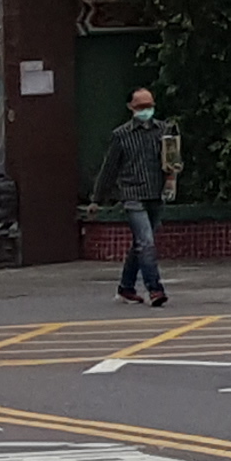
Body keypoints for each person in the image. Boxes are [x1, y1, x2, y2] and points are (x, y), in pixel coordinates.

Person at [90, 88, 174, 307]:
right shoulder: (121, 135)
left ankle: (126, 288)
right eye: (141, 107)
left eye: (149, 106)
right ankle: (155, 289)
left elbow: (173, 161)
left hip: (156, 194)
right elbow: (109, 169)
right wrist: (97, 199)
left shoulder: (164, 131)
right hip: (132, 195)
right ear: (131, 108)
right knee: (146, 242)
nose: (146, 111)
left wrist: (171, 180)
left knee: (140, 243)